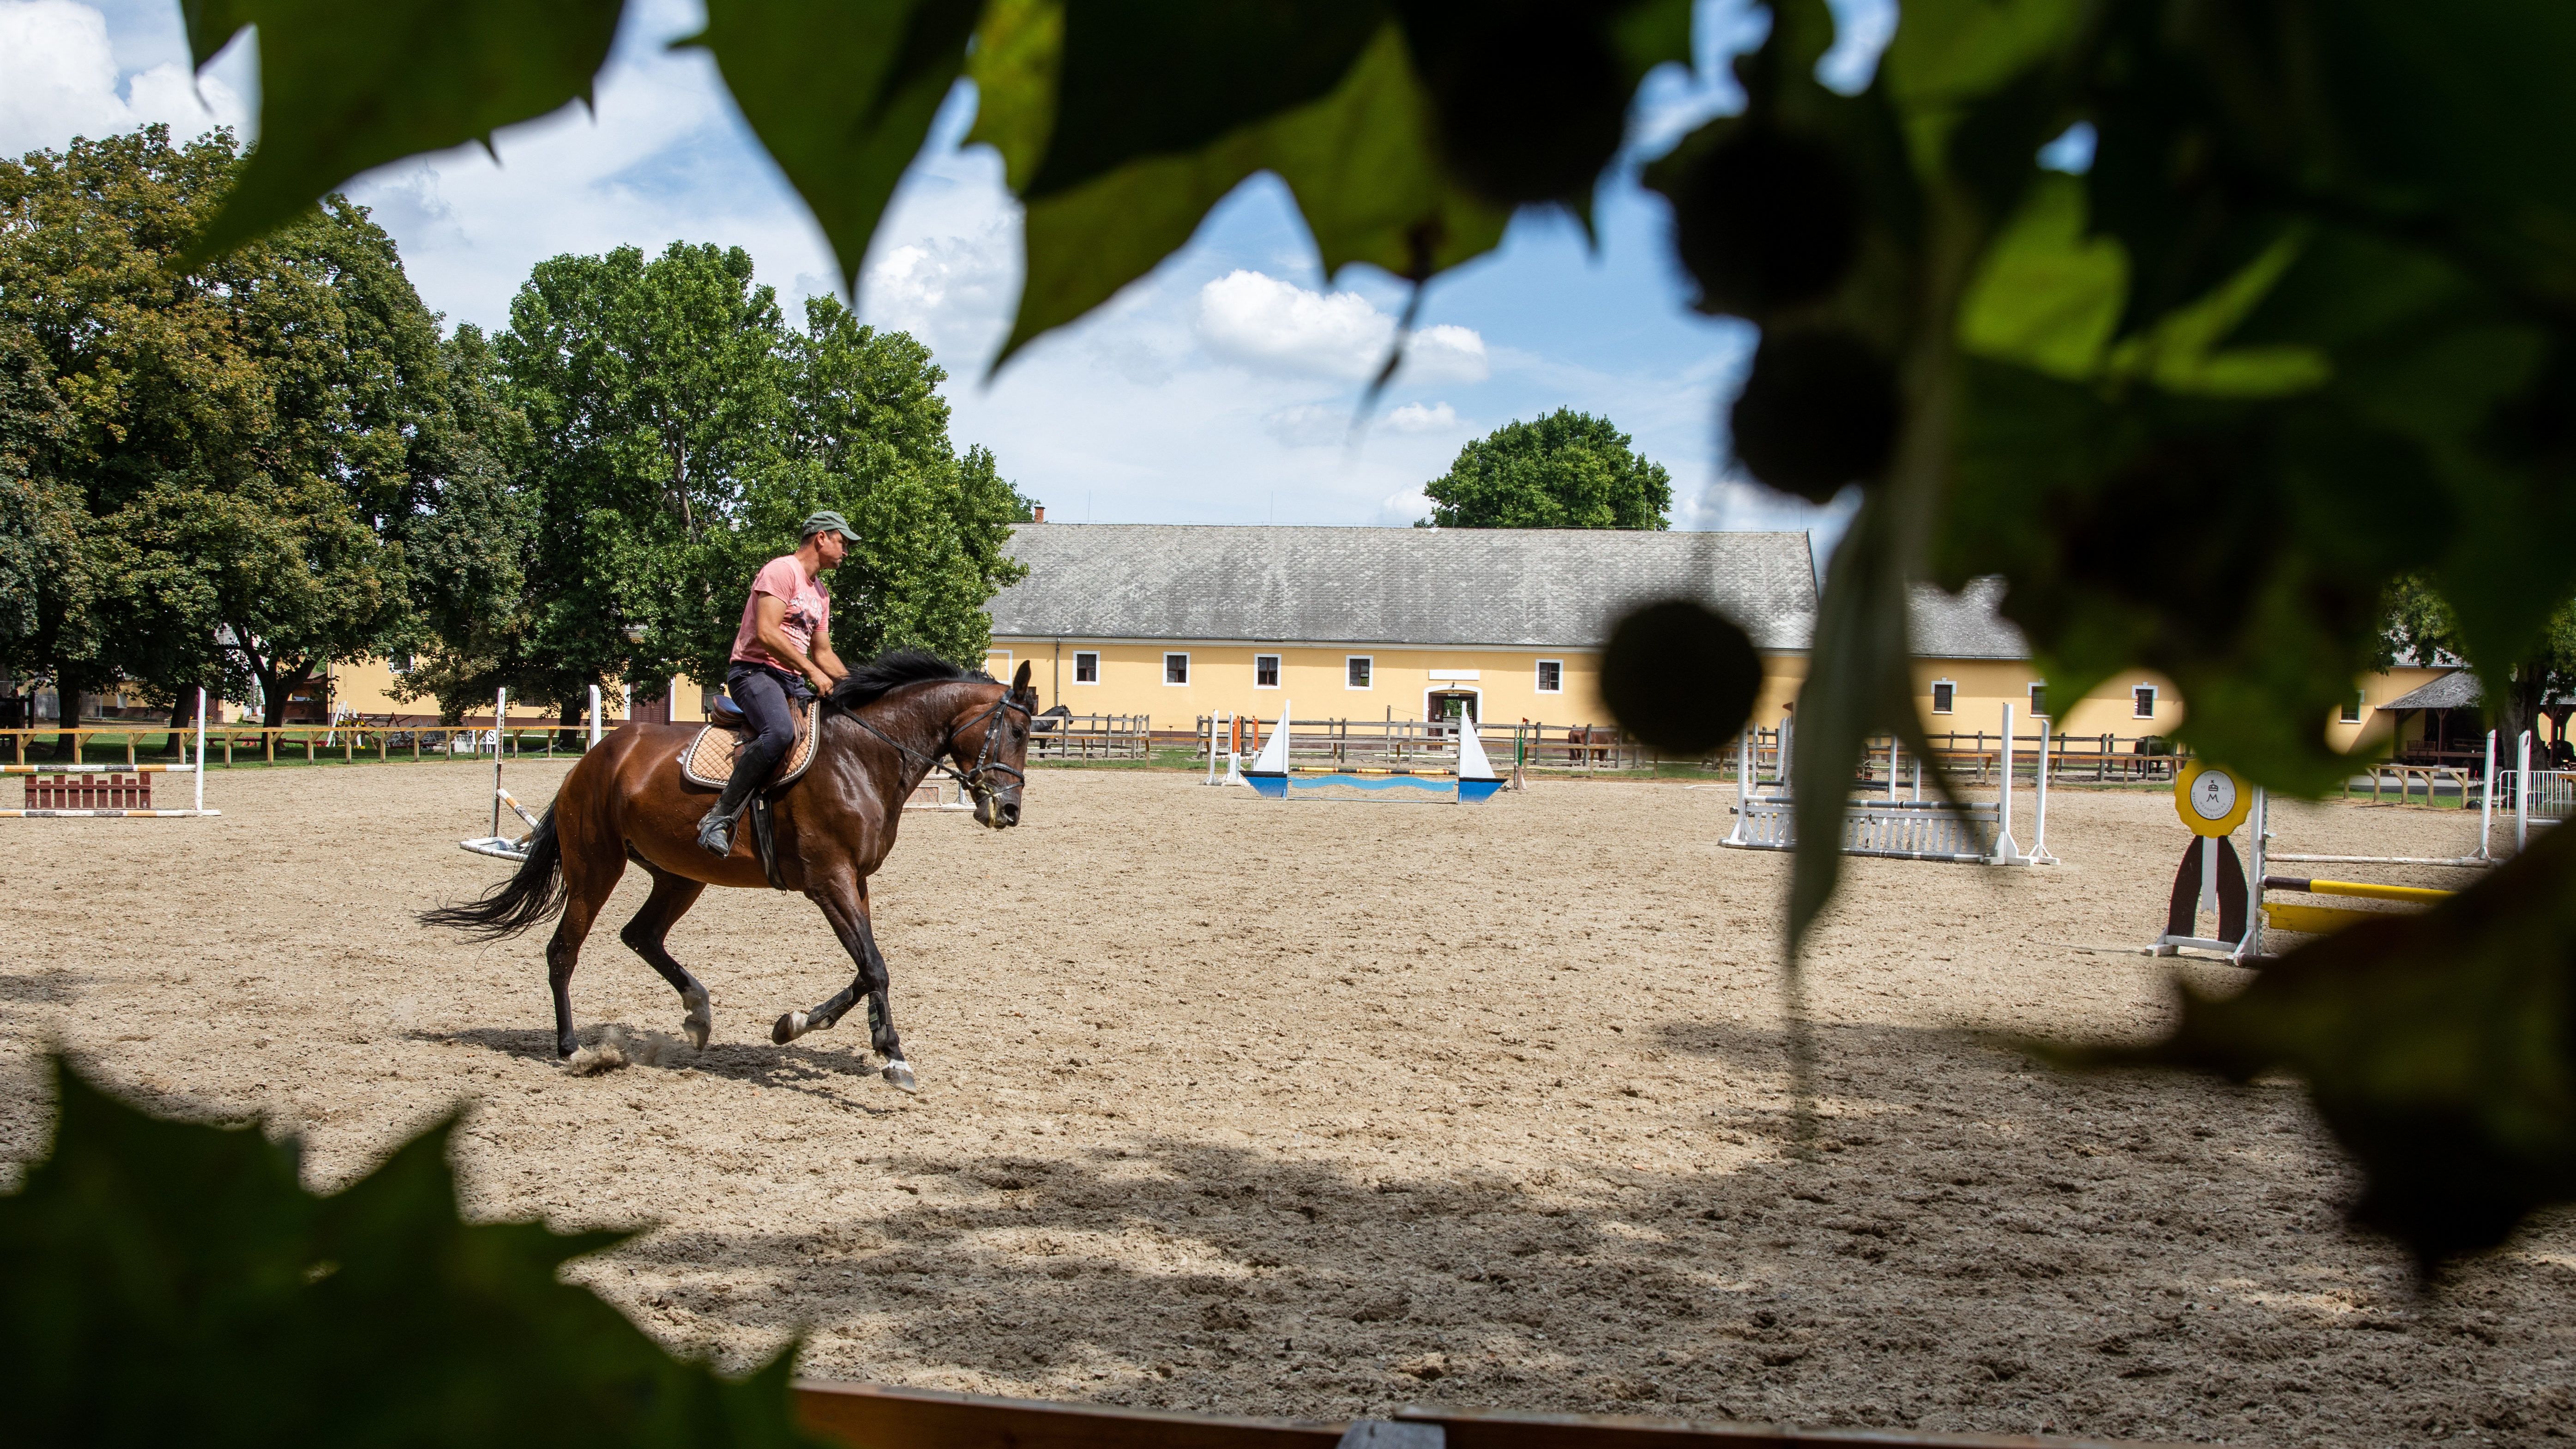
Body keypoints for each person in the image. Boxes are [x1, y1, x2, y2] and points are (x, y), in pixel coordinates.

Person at [698, 511, 858, 857]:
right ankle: (718, 817)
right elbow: (767, 633)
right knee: (781, 733)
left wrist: (856, 689)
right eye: (843, 542)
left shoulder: (821, 594)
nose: (846, 551)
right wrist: (813, 672)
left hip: (791, 679)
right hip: (754, 673)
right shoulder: (781, 571)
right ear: (821, 538)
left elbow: (824, 653)